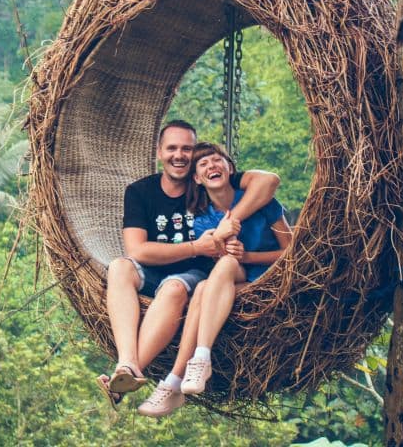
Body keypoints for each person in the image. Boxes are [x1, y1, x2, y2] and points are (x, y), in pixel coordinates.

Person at [98, 122, 280, 406]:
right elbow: (137, 250)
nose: (179, 155)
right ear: (159, 152)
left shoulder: (209, 183)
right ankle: (126, 363)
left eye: (187, 148)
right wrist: (197, 246)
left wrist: (228, 223)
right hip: (151, 269)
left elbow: (268, 182)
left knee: (173, 288)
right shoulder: (140, 191)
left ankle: (132, 373)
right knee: (119, 266)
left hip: (192, 274)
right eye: (172, 148)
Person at [137, 142, 291, 417]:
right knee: (207, 283)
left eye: (217, 160)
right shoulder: (200, 220)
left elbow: (293, 252)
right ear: (196, 178)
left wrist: (248, 256)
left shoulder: (261, 201)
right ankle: (191, 367)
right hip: (235, 284)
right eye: (203, 164)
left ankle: (181, 374)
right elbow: (220, 262)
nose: (211, 166)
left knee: (215, 278)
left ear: (230, 168)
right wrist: (221, 238)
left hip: (273, 281)